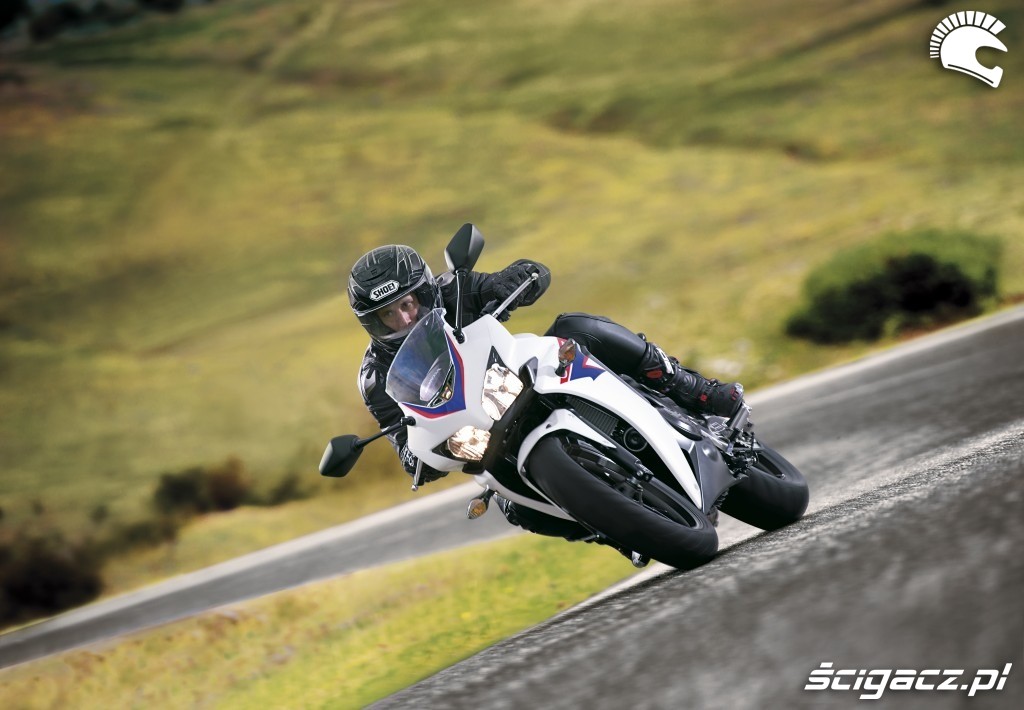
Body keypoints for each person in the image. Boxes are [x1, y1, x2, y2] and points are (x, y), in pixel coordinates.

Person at [347, 237, 744, 538]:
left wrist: (518, 277)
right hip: (479, 432)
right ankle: (611, 528)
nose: (404, 319)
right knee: (512, 507)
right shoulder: (376, 378)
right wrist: (420, 459)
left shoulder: (454, 290)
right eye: (388, 315)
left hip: (514, 378)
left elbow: (524, 278)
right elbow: (405, 445)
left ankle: (690, 387)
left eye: (408, 304)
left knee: (576, 328)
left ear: (424, 291)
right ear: (372, 323)